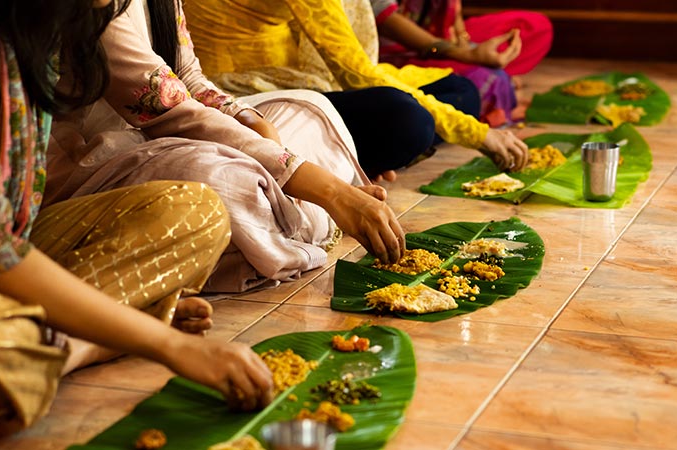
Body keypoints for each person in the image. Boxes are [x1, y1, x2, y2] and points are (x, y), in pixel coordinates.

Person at [0, 0, 272, 436]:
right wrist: (168, 344)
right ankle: (95, 339)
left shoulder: (39, 24)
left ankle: (60, 340)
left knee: (197, 211)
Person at [45, 0, 405, 293]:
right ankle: (300, 214)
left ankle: (277, 220)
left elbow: (188, 78)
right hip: (95, 159)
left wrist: (249, 119)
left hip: (167, 136)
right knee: (217, 177)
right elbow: (167, 109)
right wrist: (331, 191)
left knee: (310, 109)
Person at [183, 0, 530, 173]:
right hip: (250, 96)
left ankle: (352, 150)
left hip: (296, 73)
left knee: (460, 91)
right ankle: (344, 159)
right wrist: (476, 133)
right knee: (410, 122)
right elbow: (354, 71)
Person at [371, 0, 553, 126]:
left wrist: (464, 41)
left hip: (440, 38)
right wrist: (464, 54)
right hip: (396, 50)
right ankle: (484, 83)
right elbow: (385, 18)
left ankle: (480, 75)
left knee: (536, 26)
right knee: (482, 82)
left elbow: (453, 14)